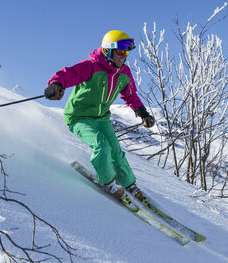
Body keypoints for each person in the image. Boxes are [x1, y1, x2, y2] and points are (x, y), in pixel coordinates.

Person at [44, 30, 155, 201]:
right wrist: (56, 84)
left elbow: (130, 95)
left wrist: (142, 113)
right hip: (78, 117)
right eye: (119, 51)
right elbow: (67, 74)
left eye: (126, 52)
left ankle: (128, 183)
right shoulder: (91, 66)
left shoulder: (124, 73)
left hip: (102, 118)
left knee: (116, 152)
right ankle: (108, 181)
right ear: (108, 51)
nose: (123, 56)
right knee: (102, 145)